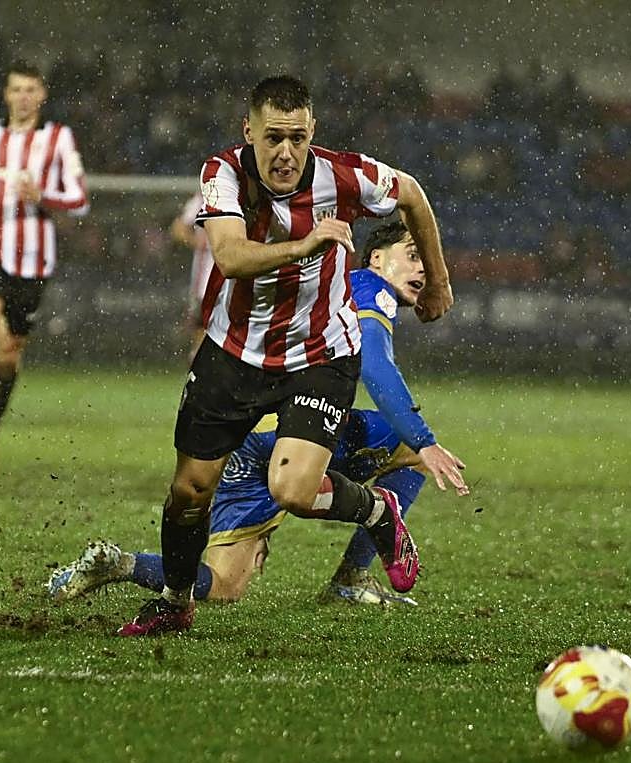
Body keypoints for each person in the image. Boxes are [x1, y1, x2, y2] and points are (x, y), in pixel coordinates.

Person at [117, 76, 453, 636]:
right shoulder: (221, 174)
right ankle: (175, 603)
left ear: (312, 132)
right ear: (248, 131)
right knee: (188, 492)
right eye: (273, 137)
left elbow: (413, 192)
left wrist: (438, 281)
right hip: (234, 352)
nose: (286, 152)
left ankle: (377, 512)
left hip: (321, 353)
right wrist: (307, 244)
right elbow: (229, 256)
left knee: (293, 489)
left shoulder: (345, 174)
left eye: (297, 137)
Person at [48, 221, 468, 607]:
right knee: (412, 454)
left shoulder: (327, 289)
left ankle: (120, 565)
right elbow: (376, 366)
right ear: (377, 257)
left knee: (224, 583)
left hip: (245, 436)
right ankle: (355, 570)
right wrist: (423, 440)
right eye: (413, 255)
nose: (423, 270)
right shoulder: (367, 287)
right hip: (292, 427)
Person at [0, 62, 89, 479]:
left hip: (33, 261)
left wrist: (43, 194)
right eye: (16, 89)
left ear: (42, 95)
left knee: (8, 357)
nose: (23, 97)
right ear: (6, 95)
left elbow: (80, 200)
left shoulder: (59, 139)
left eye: (31, 90)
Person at [169, 194, 215, 359]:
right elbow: (178, 228)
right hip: (206, 283)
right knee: (202, 331)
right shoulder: (206, 197)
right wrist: (197, 241)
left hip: (235, 279)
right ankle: (200, 373)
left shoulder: (247, 194)